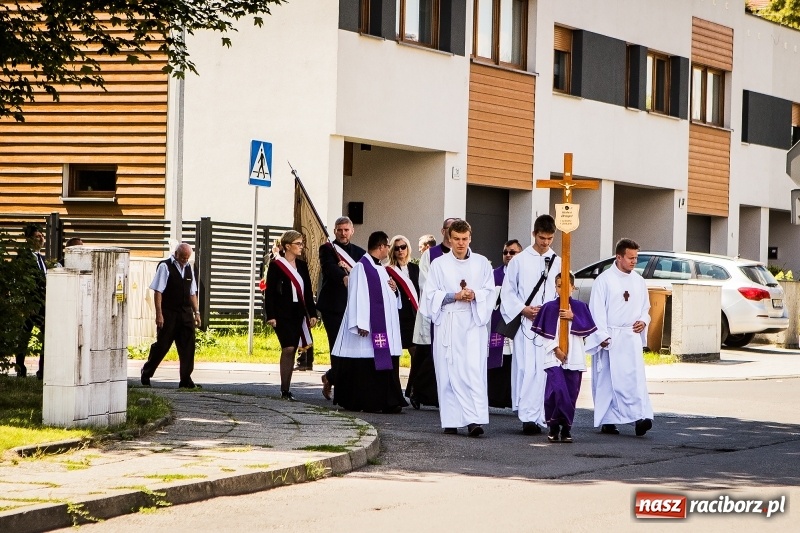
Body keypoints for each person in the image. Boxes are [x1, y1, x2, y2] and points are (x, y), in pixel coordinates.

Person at [420, 219, 495, 437]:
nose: (461, 243)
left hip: (473, 323)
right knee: (448, 372)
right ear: (449, 239)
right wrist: (454, 295)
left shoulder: (482, 264)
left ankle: (474, 420)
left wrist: (475, 295)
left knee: (472, 372)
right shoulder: (439, 264)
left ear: (470, 238)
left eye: (464, 239)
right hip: (449, 324)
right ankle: (451, 420)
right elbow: (430, 296)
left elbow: (490, 292)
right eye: (456, 239)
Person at [330, 231, 407, 413]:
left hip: (385, 327)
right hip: (367, 329)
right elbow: (356, 295)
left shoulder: (380, 268)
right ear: (381, 247)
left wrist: (395, 291)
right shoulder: (360, 268)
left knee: (384, 363)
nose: (389, 250)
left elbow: (387, 297)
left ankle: (388, 401)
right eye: (388, 246)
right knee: (365, 364)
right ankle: (367, 402)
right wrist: (360, 323)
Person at [500, 215, 561, 435]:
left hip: (548, 323)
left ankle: (543, 415)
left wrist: (551, 310)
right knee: (527, 369)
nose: (546, 242)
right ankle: (527, 417)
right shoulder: (519, 260)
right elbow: (508, 292)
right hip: (526, 322)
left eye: (550, 238)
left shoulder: (558, 261)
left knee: (545, 369)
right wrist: (523, 309)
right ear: (534, 234)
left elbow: (561, 292)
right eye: (542, 237)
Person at [589, 238, 654, 437]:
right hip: (611, 337)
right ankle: (609, 420)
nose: (634, 262)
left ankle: (640, 417)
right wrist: (601, 335)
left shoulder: (638, 280)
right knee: (608, 381)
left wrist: (643, 320)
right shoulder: (604, 280)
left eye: (636, 258)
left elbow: (646, 307)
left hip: (631, 337)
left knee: (633, 380)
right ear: (619, 257)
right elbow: (596, 309)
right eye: (630, 258)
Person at [532, 272, 603, 443]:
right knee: (556, 392)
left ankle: (566, 428)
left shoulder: (580, 307)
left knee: (571, 394)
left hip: (575, 358)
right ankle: (553, 425)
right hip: (554, 357)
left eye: (566, 285)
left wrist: (573, 317)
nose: (562, 289)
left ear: (573, 287)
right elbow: (543, 335)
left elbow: (589, 329)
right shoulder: (549, 308)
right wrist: (555, 349)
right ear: (555, 287)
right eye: (558, 285)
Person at [407, 218, 457, 409]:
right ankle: (416, 392)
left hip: (454, 312)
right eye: (449, 229)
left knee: (445, 356)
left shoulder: (460, 254)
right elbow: (425, 282)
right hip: (433, 311)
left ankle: (439, 396)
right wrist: (447, 296)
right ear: (443, 231)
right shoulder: (431, 254)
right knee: (426, 355)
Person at [316, 217, 366, 399]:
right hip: (333, 306)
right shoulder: (327, 249)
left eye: (346, 230)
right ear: (335, 231)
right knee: (337, 346)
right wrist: (343, 276)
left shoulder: (360, 253)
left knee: (352, 347)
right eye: (339, 230)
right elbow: (329, 268)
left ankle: (331, 377)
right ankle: (341, 389)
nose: (343, 233)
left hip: (354, 305)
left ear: (352, 231)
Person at [264, 231, 318, 400]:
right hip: (282, 314)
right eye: (298, 244)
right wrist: (270, 315)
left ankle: (286, 389)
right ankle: (284, 389)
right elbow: (270, 293)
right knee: (287, 348)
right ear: (288, 246)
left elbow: (307, 291)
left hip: (298, 313)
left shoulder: (302, 266)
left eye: (302, 243)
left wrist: (312, 313)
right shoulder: (276, 265)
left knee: (294, 348)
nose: (301, 247)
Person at [140, 243, 202, 389]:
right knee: (162, 346)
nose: (184, 260)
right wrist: (159, 314)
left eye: (187, 258)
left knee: (188, 347)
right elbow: (158, 291)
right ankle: (146, 372)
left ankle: (185, 379)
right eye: (182, 257)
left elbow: (192, 293)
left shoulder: (188, 268)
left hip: (185, 313)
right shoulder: (165, 266)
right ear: (176, 254)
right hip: (169, 313)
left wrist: (196, 312)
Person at [487, 239, 523, 409]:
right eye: (505, 252)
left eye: (512, 252)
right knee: (500, 360)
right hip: (499, 322)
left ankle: (514, 398)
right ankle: (495, 397)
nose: (508, 255)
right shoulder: (494, 274)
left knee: (516, 361)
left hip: (519, 323)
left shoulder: (525, 274)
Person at [14, 224, 47, 379]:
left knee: (47, 336)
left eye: (42, 236)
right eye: (37, 236)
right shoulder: (23, 258)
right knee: (23, 337)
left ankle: (43, 371)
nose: (41, 239)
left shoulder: (41, 258)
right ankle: (20, 369)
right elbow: (21, 281)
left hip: (42, 305)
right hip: (29, 305)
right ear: (28, 240)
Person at [387, 235, 420, 357]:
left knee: (416, 353)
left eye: (403, 247)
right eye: (396, 248)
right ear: (392, 251)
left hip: (414, 316)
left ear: (408, 248)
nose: (400, 250)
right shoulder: (388, 270)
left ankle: (414, 377)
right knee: (394, 353)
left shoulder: (415, 268)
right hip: (397, 316)